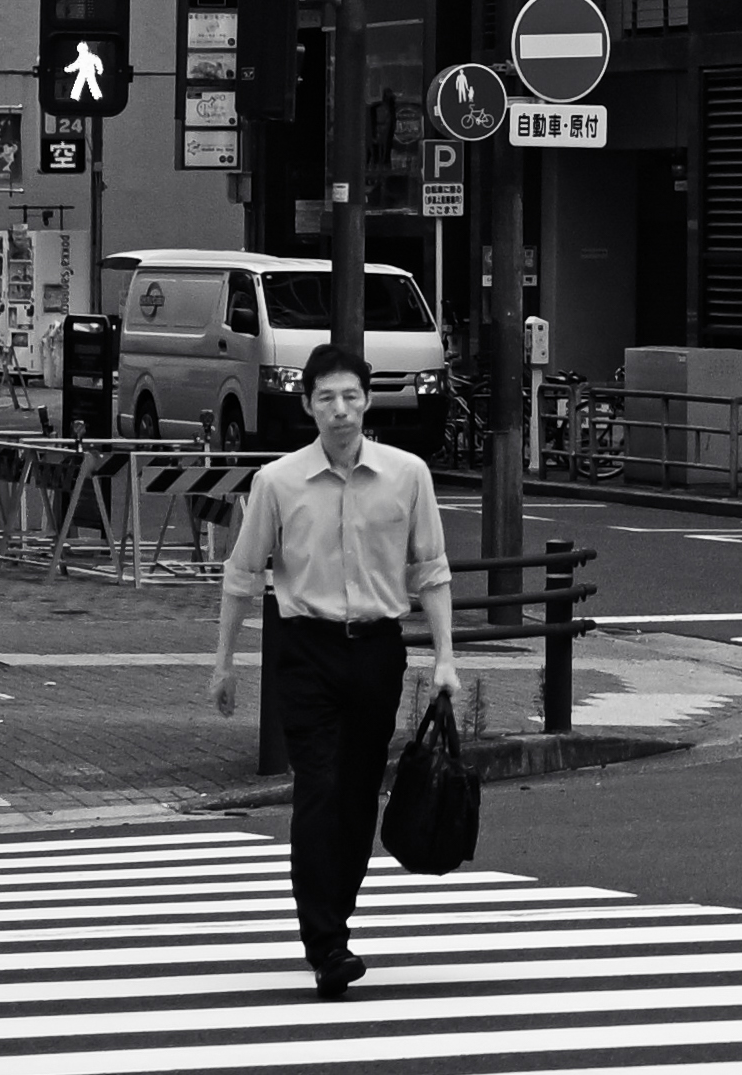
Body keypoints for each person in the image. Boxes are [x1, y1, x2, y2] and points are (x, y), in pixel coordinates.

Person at [209, 341, 459, 999]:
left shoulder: (407, 475)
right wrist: (225, 662)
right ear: (307, 404)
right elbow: (241, 576)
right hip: (306, 651)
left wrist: (445, 656)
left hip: (377, 648)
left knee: (354, 797)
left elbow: (429, 569)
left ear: (367, 400)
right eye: (327, 398)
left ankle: (335, 922)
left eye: (351, 396)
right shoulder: (278, 482)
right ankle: (326, 943)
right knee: (318, 789)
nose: (340, 409)